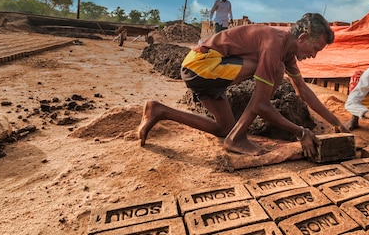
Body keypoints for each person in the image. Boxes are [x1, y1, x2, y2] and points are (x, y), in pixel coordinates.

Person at [138, 13, 350, 158]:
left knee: (224, 128)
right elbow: (261, 106)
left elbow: (303, 90)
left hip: (210, 72)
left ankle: (159, 110)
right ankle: (237, 138)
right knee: (274, 73)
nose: (313, 55)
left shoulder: (287, 53)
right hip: (201, 66)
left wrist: (337, 122)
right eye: (315, 48)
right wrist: (301, 132)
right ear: (302, 38)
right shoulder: (274, 43)